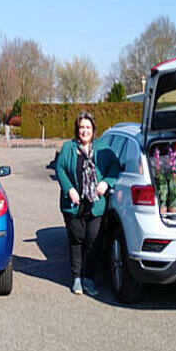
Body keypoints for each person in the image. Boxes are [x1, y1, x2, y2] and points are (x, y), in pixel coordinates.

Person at [55, 111, 120, 295]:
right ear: (77, 129)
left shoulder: (102, 149)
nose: (84, 131)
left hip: (96, 205)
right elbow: (59, 169)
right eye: (81, 127)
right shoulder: (68, 148)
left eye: (88, 127)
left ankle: (88, 279)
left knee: (93, 240)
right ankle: (76, 278)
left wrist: (106, 182)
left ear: (93, 130)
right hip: (74, 205)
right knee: (77, 239)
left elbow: (115, 167)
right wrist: (69, 189)